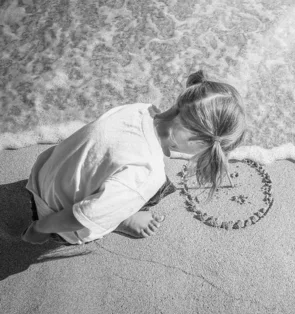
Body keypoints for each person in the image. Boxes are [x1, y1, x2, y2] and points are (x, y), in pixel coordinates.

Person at [21, 70, 246, 245]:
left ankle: (115, 205)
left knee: (135, 180)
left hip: (44, 173)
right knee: (156, 189)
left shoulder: (140, 110)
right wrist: (40, 228)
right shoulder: (147, 174)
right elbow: (81, 217)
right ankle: (123, 217)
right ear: (195, 140)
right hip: (57, 218)